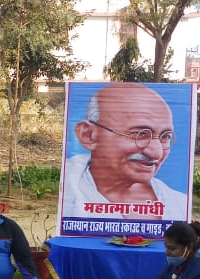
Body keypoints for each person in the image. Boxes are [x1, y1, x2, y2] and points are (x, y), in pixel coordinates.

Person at [62, 83, 187, 221]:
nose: (156, 153)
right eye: (139, 134)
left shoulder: (178, 205)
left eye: (165, 137)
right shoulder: (68, 194)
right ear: (89, 135)